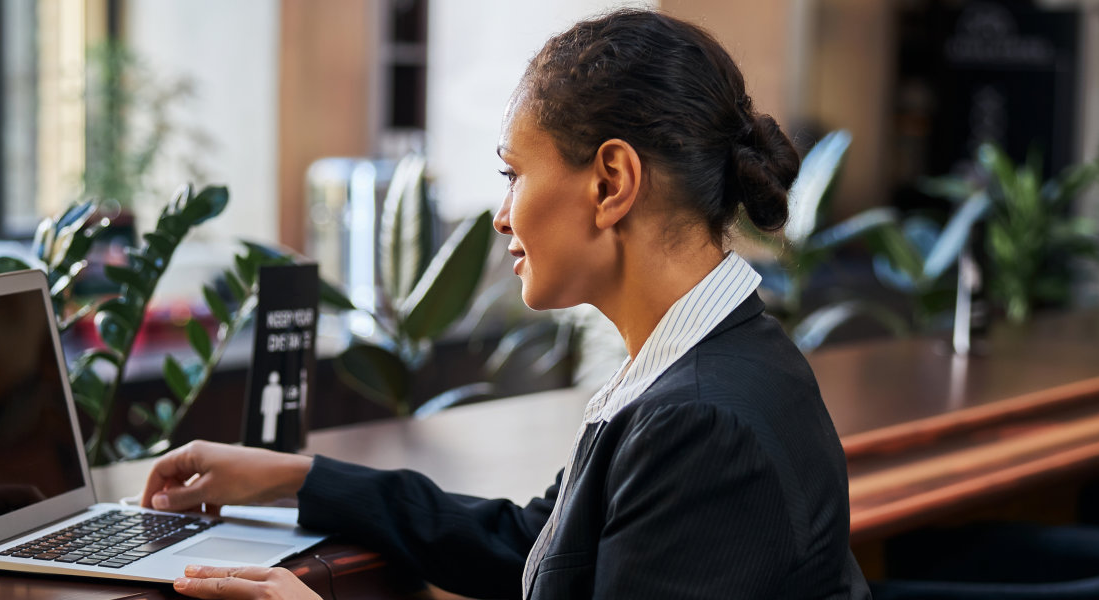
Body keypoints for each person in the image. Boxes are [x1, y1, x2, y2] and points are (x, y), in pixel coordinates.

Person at [142, 9, 869, 599]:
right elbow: (530, 544)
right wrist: (295, 479)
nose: (501, 215)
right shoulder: (715, 364)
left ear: (611, 182)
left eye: (513, 172)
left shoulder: (703, 423)